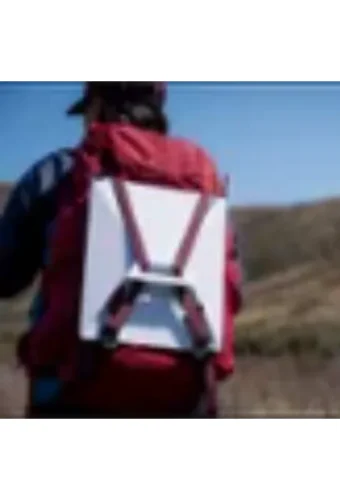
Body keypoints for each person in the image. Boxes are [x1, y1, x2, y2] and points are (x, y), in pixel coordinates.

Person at [0, 82, 243, 418]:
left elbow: (6, 277)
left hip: (70, 393)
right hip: (184, 398)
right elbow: (233, 291)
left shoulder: (58, 174)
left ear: (98, 106)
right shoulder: (204, 182)